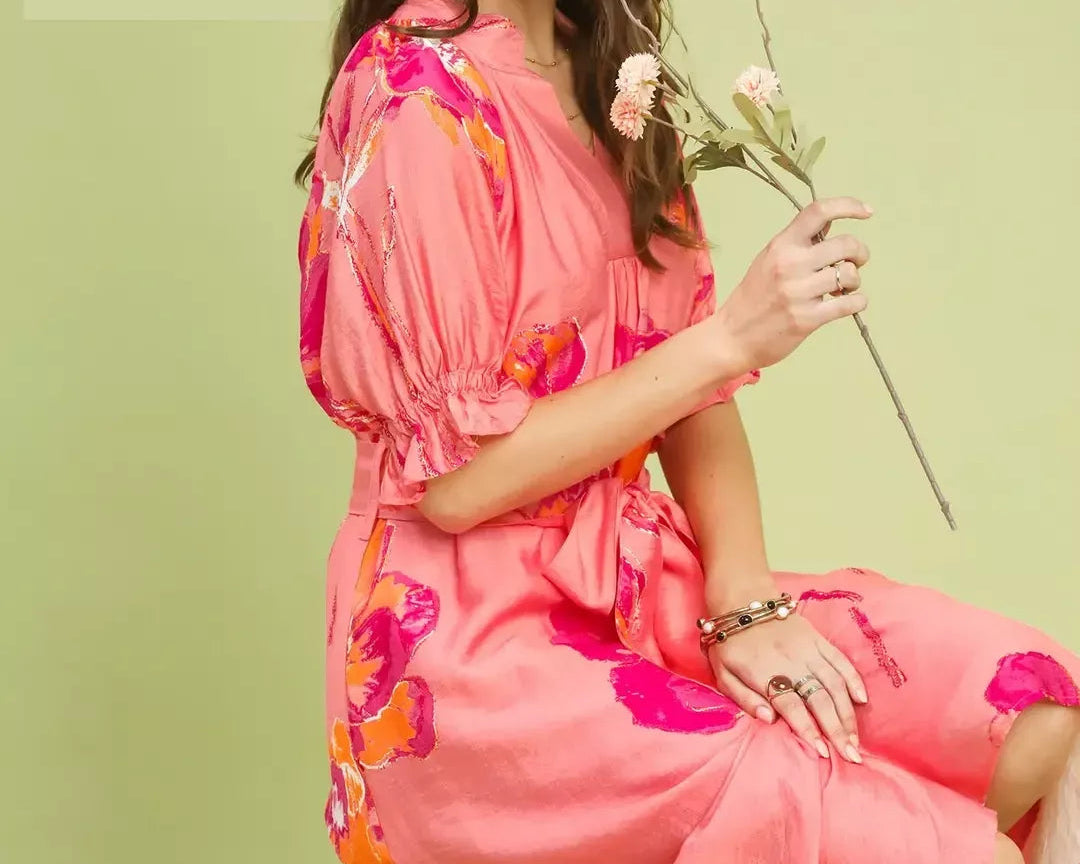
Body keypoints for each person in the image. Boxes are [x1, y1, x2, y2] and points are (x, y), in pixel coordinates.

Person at [295, 1, 1080, 861]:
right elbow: (456, 485)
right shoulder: (413, 88)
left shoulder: (618, 79)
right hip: (470, 645)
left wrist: (744, 601)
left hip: (643, 579)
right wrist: (734, 339)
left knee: (1038, 721)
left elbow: (688, 384)